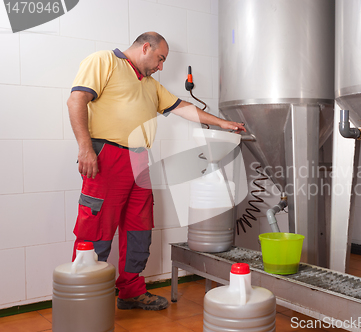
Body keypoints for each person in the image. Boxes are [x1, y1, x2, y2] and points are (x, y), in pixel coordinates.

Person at [67, 31, 246, 311]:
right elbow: (76, 101)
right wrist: (85, 148)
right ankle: (86, 299)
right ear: (146, 47)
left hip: (140, 159)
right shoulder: (104, 61)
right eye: (160, 59)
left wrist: (221, 123)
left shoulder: (150, 85)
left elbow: (182, 107)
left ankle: (131, 291)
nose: (161, 66)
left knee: (139, 226)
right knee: (97, 225)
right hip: (108, 154)